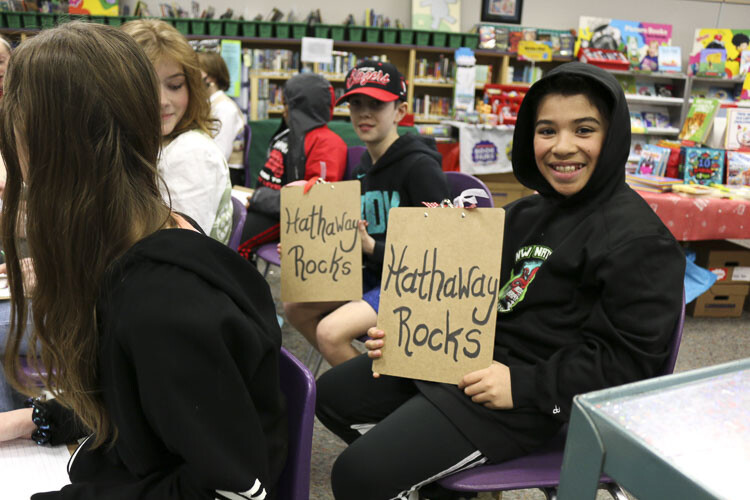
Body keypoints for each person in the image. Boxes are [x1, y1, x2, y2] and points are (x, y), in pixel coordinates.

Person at [315, 62, 685, 500]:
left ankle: (431, 469)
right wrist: (411, 330)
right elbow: (470, 289)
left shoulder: (640, 242)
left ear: (615, 135)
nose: (562, 147)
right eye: (547, 131)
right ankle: (439, 479)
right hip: (468, 359)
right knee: (331, 394)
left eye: (584, 130)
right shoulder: (525, 213)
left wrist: (523, 386)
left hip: (531, 398)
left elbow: (629, 365)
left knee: (358, 476)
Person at [0, 22, 287, 498]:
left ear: (58, 150)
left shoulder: (160, 302)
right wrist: (37, 418)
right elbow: (139, 392)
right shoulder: (136, 244)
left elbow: (232, 489)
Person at [282, 61, 450, 368]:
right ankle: (362, 377)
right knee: (295, 306)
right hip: (371, 275)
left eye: (377, 104)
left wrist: (373, 248)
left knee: (331, 332)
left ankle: (374, 398)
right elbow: (354, 235)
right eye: (356, 104)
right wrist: (307, 245)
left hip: (408, 282)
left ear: (400, 111)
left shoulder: (420, 167)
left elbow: (443, 251)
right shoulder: (362, 170)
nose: (364, 113)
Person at [122, 19, 233, 244]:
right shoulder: (152, 144)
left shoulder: (191, 152)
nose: (163, 101)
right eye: (146, 88)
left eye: (175, 86)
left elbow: (175, 249)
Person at [237, 72, 347, 260]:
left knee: (239, 242)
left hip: (288, 214)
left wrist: (260, 198)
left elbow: (316, 198)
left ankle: (242, 289)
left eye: (288, 104)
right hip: (268, 204)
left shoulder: (327, 143)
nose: (283, 111)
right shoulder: (288, 134)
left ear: (301, 107)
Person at [198, 51, 247, 186]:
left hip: (226, 176)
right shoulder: (208, 105)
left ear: (211, 77)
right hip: (213, 172)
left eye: (197, 72)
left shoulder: (225, 108)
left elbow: (220, 154)